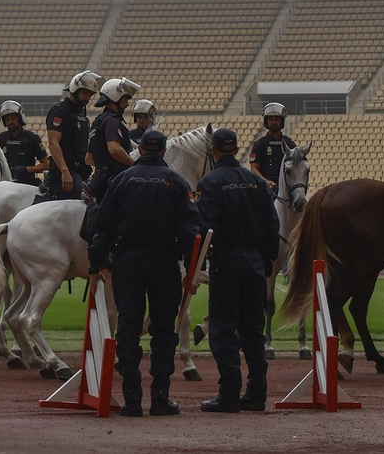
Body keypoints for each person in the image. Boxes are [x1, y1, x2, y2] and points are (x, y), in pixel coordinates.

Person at [87, 128, 197, 417]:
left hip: (128, 263)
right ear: (163, 151)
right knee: (163, 333)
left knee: (128, 330)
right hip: (164, 265)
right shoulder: (176, 181)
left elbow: (103, 225)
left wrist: (96, 260)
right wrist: (191, 270)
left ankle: (132, 400)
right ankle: (160, 398)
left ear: (141, 150)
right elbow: (189, 231)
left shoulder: (121, 180)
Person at [195, 129, 281, 414]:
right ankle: (257, 393)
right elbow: (272, 225)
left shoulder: (209, 182)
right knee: (253, 331)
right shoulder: (256, 182)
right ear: (236, 149)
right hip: (255, 263)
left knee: (222, 329)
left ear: (215, 151)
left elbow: (205, 227)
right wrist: (266, 258)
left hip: (226, 262)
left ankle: (229, 393)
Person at [45, 71, 100, 199]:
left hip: (81, 171)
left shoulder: (81, 115)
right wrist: (65, 172)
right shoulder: (60, 111)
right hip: (65, 172)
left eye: (90, 95)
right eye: (85, 93)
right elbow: (53, 143)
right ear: (75, 90)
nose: (87, 98)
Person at [87, 77, 141, 202]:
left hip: (98, 181)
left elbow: (88, 159)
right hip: (114, 182)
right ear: (115, 98)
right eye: (125, 99)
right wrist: (135, 165)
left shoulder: (97, 121)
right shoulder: (112, 121)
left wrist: (103, 165)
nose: (127, 104)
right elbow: (114, 149)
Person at [0, 100, 47, 187]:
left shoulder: (32, 138)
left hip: (27, 184)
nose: (10, 122)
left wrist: (26, 169)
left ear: (20, 118)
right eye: (7, 119)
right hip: (5, 185)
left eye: (13, 118)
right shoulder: (0, 139)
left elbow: (46, 165)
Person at [248, 103, 297, 191]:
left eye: (277, 119)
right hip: (265, 187)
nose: (274, 122)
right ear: (266, 122)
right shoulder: (259, 144)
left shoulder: (289, 144)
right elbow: (254, 168)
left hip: (286, 186)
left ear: (282, 121)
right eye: (271, 119)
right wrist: (265, 181)